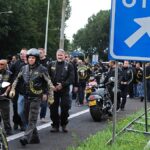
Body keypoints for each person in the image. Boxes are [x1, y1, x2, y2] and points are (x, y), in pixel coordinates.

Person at [9, 48, 54, 146]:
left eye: (33, 58)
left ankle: (26, 137)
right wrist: (12, 89)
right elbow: (17, 79)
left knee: (32, 119)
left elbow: (49, 83)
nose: (31, 59)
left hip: (37, 97)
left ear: (36, 59)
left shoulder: (42, 69)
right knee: (25, 116)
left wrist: (51, 96)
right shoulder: (24, 68)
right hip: (26, 97)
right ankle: (35, 138)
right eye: (29, 58)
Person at [48, 49, 74, 132]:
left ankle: (64, 124)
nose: (59, 56)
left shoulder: (69, 65)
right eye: (58, 55)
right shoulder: (51, 64)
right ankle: (55, 125)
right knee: (53, 108)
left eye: (61, 55)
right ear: (56, 55)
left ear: (64, 56)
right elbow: (47, 76)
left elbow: (71, 78)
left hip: (64, 89)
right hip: (53, 90)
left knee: (65, 107)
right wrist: (51, 86)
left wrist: (62, 85)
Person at [10, 48, 27, 131]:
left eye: (24, 54)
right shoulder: (15, 63)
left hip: (25, 89)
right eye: (21, 54)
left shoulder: (29, 63)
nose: (22, 55)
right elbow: (10, 74)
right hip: (16, 89)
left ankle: (23, 123)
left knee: (24, 108)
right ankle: (16, 122)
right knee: (15, 106)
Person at [38, 48, 51, 123]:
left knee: (44, 102)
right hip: (36, 83)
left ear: (44, 53)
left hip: (45, 84)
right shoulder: (36, 60)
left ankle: (42, 117)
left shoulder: (48, 62)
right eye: (38, 52)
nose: (39, 54)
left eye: (41, 52)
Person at [0, 59, 12, 136]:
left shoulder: (9, 73)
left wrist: (6, 93)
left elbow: (10, 84)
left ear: (5, 65)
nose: (0, 65)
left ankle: (8, 129)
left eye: (1, 64)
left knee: (5, 115)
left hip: (4, 98)